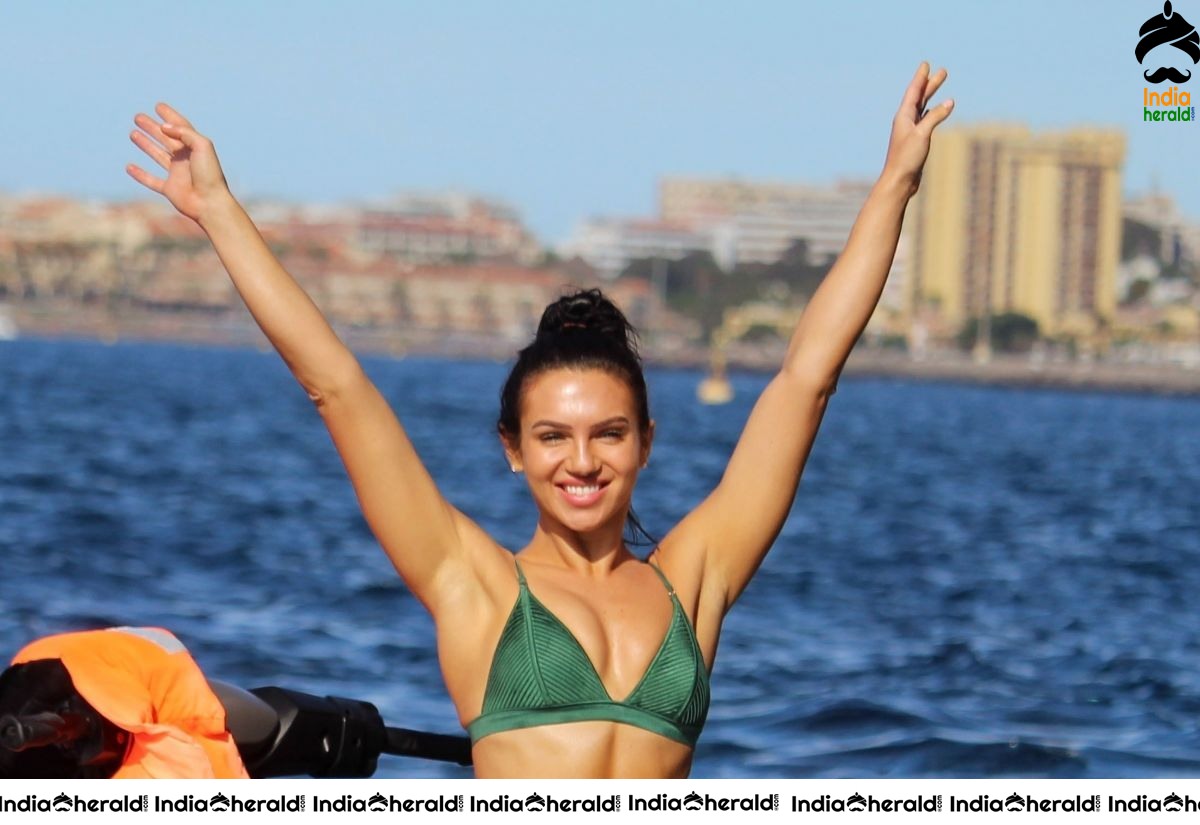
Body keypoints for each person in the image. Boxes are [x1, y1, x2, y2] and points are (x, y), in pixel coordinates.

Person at [126, 63, 952, 778]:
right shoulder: (472, 582)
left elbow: (807, 378)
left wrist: (895, 185)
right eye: (553, 436)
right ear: (513, 450)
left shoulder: (694, 579)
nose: (582, 461)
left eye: (609, 433)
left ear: (646, 443)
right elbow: (337, 386)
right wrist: (219, 212)